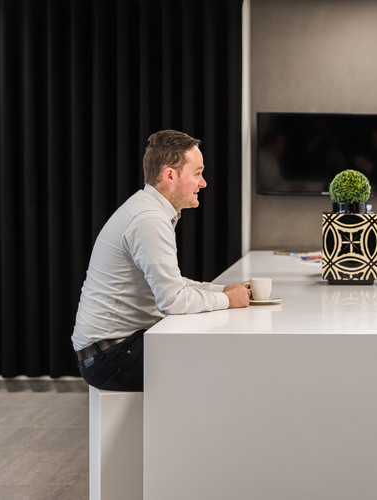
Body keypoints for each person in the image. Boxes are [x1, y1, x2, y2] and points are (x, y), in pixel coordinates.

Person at [71, 130, 251, 391]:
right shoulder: (149, 219)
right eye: (197, 173)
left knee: (219, 354)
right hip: (111, 356)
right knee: (224, 368)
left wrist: (223, 290)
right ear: (170, 176)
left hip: (117, 347)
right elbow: (174, 301)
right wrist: (228, 300)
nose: (203, 183)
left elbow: (173, 285)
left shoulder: (149, 209)